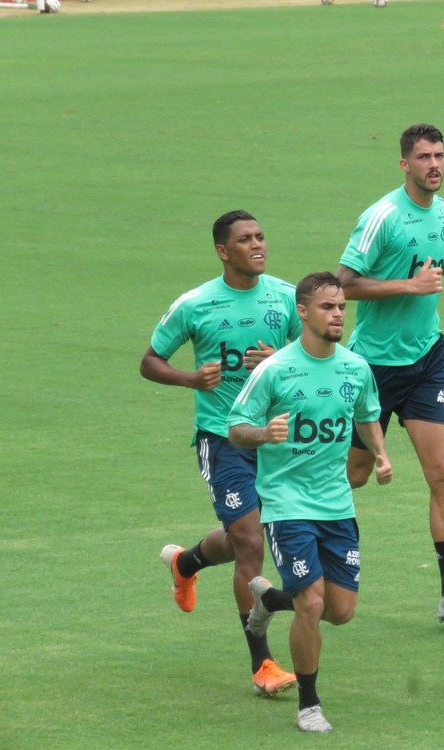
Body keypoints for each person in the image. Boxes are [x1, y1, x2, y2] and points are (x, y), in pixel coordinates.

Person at [140, 210, 299, 695]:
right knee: (250, 541)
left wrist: (281, 360)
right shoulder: (196, 304)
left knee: (241, 538)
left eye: (261, 236)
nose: (258, 245)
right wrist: (189, 378)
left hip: (273, 438)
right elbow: (150, 361)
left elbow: (318, 353)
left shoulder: (286, 297)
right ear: (222, 251)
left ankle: (186, 563)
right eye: (245, 239)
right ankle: (262, 663)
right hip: (223, 438)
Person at [228, 271, 392, 733]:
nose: (338, 314)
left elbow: (367, 416)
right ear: (302, 312)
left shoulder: (356, 367)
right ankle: (309, 704)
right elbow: (235, 427)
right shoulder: (275, 369)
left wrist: (381, 454)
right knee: (313, 604)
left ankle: (268, 600)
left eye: (341, 307)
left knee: (340, 611)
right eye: (327, 307)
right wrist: (264, 433)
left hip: (337, 505)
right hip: (287, 504)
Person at [336, 123, 444, 623]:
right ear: (405, 164)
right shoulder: (381, 217)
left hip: (427, 358)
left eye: (439, 155)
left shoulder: (440, 209)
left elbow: (422, 262)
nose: (434, 164)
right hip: (374, 366)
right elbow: (343, 285)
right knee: (353, 475)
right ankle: (295, 514)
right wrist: (409, 286)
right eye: (423, 157)